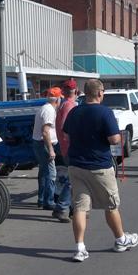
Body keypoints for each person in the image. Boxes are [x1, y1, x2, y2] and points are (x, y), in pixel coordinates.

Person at [63, 79, 138, 262]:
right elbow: (114, 139)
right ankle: (121, 239)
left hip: (76, 165)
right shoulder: (105, 112)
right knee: (111, 205)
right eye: (103, 91)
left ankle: (80, 248)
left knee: (80, 207)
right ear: (99, 93)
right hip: (99, 166)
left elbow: (66, 135)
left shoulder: (74, 112)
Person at [53, 79, 78, 222]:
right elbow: (66, 129)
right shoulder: (69, 106)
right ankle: (62, 207)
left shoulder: (64, 105)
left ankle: (72, 208)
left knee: (74, 179)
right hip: (70, 147)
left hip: (65, 147)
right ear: (75, 91)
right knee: (74, 179)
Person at [32, 86, 61, 210]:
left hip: (39, 143)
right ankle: (49, 201)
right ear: (58, 99)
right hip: (43, 144)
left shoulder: (44, 108)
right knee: (51, 173)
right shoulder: (49, 111)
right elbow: (45, 132)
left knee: (44, 172)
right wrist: (51, 149)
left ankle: (42, 199)